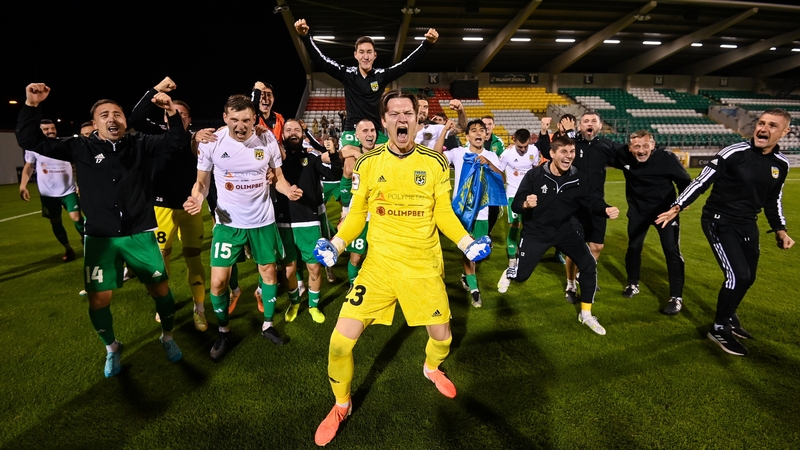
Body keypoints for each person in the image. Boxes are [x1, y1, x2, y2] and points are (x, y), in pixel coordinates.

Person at [310, 90, 491, 446]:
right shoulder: (367, 164)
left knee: (443, 338)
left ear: (417, 119)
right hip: (379, 268)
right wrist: (337, 244)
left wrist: (467, 242)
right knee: (338, 344)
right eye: (394, 113)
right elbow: (357, 214)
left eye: (408, 112)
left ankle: (430, 368)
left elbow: (443, 213)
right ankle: (341, 405)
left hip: (423, 267)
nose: (401, 118)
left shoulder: (436, 163)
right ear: (385, 122)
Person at [16, 83, 187, 377]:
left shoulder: (140, 143)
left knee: (161, 290)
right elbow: (29, 138)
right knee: (99, 299)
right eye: (105, 115)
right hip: (100, 238)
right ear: (95, 124)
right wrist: (32, 105)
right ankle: (112, 348)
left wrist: (171, 112)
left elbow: (176, 142)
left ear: (124, 120)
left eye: (118, 114)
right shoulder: (79, 147)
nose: (113, 119)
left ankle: (167, 337)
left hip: (140, 233)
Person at [656, 109, 794, 356]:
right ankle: (719, 328)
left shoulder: (781, 164)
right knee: (737, 276)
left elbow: (774, 199)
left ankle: (728, 316)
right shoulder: (733, 152)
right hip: (719, 221)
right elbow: (701, 181)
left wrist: (780, 230)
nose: (763, 128)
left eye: (772, 125)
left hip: (748, 223)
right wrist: (677, 206)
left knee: (748, 277)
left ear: (785, 132)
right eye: (761, 123)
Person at [183, 94, 302, 360]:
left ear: (254, 119)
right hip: (228, 223)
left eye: (246, 120)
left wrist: (288, 189)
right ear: (225, 118)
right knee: (217, 284)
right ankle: (224, 330)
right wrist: (196, 198)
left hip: (262, 221)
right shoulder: (212, 142)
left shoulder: (267, 138)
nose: (240, 125)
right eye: (234, 119)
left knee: (269, 274)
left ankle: (268, 325)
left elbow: (279, 179)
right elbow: (201, 183)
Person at [506, 135, 620, 335]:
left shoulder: (578, 177)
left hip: (564, 230)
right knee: (521, 277)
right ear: (552, 154)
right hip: (536, 233)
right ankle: (511, 269)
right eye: (564, 152)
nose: (569, 157)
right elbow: (516, 204)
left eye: (572, 152)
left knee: (588, 265)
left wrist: (605, 209)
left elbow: (591, 201)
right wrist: (525, 204)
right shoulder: (534, 176)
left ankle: (586, 315)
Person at [129, 76, 215, 331]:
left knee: (193, 258)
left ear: (190, 118)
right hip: (161, 208)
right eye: (172, 112)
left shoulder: (196, 139)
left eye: (183, 114)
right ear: (165, 116)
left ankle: (199, 308)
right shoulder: (156, 133)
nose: (177, 116)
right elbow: (134, 120)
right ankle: (163, 304)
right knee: (161, 259)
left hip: (189, 208)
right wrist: (155, 91)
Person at [294, 18, 438, 160]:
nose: (365, 56)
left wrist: (426, 45)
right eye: (361, 52)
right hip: (352, 129)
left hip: (376, 131)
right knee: (350, 166)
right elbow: (322, 61)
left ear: (375, 55)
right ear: (355, 55)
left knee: (383, 164)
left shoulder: (381, 76)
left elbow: (405, 64)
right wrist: (305, 37)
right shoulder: (347, 74)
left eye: (369, 52)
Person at [611, 130, 691, 315]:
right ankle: (633, 284)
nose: (641, 150)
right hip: (639, 212)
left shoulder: (667, 158)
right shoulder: (623, 155)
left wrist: (682, 202)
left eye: (645, 145)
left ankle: (676, 297)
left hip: (665, 213)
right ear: (630, 148)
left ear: (653, 145)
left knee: (671, 251)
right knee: (633, 248)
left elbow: (685, 181)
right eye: (637, 146)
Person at [275, 119, 343, 324]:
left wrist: (333, 154)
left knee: (314, 268)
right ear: (283, 135)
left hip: (308, 222)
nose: (293, 132)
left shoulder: (311, 159)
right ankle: (295, 302)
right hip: (284, 222)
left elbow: (335, 173)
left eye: (297, 129)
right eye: (288, 129)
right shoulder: (275, 162)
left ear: (302, 134)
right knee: (288, 270)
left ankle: (313, 306)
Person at [561, 111, 623, 303]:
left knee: (597, 245)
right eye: (585, 121)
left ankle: (583, 275)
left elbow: (626, 159)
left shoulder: (606, 146)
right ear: (580, 126)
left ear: (599, 126)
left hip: (597, 203)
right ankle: (570, 284)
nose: (589, 124)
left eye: (593, 121)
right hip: (574, 205)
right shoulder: (570, 145)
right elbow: (551, 150)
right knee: (574, 248)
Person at [442, 119, 503, 308]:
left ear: (486, 135)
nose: (478, 133)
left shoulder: (491, 155)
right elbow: (436, 156)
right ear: (467, 136)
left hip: (483, 212)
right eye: (474, 130)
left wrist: (489, 165)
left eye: (482, 130)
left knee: (478, 252)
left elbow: (502, 177)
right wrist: (444, 130)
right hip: (462, 211)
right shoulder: (459, 153)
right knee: (469, 250)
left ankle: (466, 276)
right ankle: (475, 290)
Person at [19, 118, 85, 262]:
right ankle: (68, 249)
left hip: (69, 190)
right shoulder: (34, 147)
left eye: (52, 128)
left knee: (77, 218)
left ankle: (86, 240)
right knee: (55, 222)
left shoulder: (65, 144)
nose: (50, 131)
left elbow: (80, 164)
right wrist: (23, 185)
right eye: (46, 129)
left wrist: (81, 183)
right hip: (48, 194)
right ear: (40, 131)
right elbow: (28, 167)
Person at [496, 127, 546, 293]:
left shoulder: (534, 150)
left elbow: (535, 168)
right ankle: (512, 260)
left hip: (530, 195)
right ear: (513, 140)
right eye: (520, 147)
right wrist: (506, 183)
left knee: (532, 226)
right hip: (513, 195)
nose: (523, 150)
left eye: (525, 146)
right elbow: (498, 169)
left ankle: (527, 254)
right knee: (515, 226)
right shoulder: (507, 153)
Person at [342, 118, 377, 287]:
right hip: (360, 215)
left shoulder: (384, 153)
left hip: (380, 215)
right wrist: (344, 210)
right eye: (365, 131)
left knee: (379, 255)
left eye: (372, 130)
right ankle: (353, 285)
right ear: (356, 135)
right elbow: (346, 181)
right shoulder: (351, 154)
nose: (370, 134)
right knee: (356, 256)